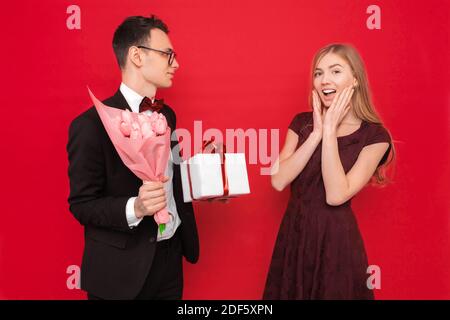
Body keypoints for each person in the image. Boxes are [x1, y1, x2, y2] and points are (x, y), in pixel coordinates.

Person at [67, 15, 199, 300]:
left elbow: (170, 179)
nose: (175, 64)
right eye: (168, 54)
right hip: (120, 272)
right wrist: (135, 207)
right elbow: (82, 205)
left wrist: (208, 185)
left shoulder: (167, 115)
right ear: (137, 56)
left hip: (170, 259)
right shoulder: (90, 125)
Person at [263, 43, 394, 299]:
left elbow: (335, 195)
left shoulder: (375, 137)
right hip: (295, 236)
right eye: (318, 73)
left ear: (354, 80)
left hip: (336, 243)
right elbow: (278, 180)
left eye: (335, 71)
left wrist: (331, 131)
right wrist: (316, 134)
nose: (324, 80)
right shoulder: (302, 123)